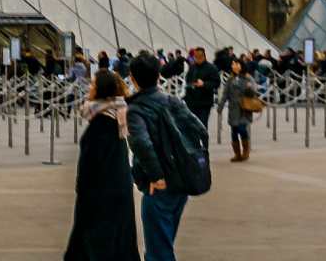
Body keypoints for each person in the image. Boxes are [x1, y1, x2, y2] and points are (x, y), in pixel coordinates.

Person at [126, 53, 194, 261]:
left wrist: (156, 176)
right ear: (158, 76)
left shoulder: (136, 109)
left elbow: (142, 144)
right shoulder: (174, 101)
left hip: (159, 184)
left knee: (158, 251)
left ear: (133, 78)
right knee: (162, 243)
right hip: (181, 181)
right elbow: (197, 131)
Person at [65, 69, 137, 261]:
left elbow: (92, 162)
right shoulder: (117, 114)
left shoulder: (102, 122)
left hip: (100, 192)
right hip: (119, 187)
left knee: (96, 242)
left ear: (101, 90)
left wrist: (82, 188)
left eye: (94, 84)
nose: (90, 87)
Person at [217, 60, 258, 163]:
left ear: (241, 66)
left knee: (242, 128)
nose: (234, 66)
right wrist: (220, 106)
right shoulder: (230, 79)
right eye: (233, 64)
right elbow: (225, 94)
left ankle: (245, 151)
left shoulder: (248, 78)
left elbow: (253, 93)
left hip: (244, 108)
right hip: (233, 109)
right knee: (234, 131)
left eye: (236, 64)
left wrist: (249, 88)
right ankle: (237, 154)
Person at [182, 48, 218, 128]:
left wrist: (204, 84)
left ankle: (204, 140)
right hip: (192, 102)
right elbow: (188, 80)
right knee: (192, 126)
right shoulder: (192, 67)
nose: (196, 58)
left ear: (204, 56)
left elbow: (216, 83)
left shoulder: (211, 68)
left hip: (204, 102)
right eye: (195, 56)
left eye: (199, 56)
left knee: (202, 125)